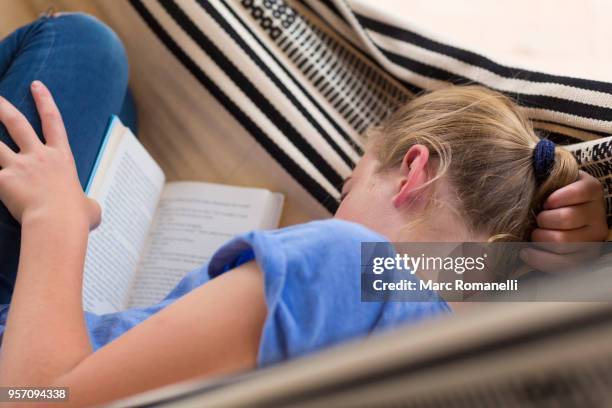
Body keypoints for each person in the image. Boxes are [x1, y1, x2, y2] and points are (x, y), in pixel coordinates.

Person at [0, 13, 607, 406]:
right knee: (117, 118)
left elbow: (35, 397)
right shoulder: (472, 353)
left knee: (81, 47)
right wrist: (581, 261)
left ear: (414, 171)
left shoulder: (342, 265)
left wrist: (57, 219)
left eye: (349, 184)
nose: (338, 204)